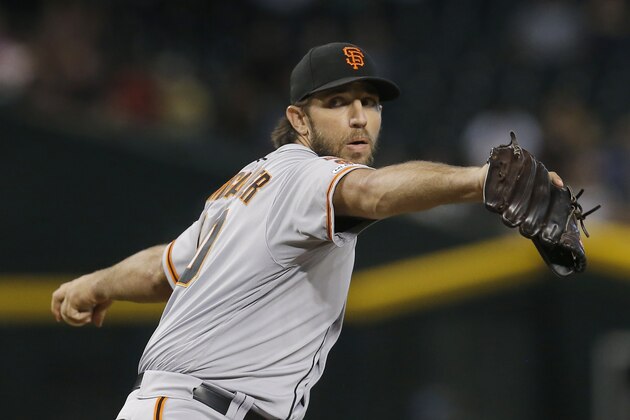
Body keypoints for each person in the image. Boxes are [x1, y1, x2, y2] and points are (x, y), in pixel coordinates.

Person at [51, 42, 563, 420]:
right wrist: (482, 179)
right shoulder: (305, 174)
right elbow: (376, 193)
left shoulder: (250, 185)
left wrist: (95, 284)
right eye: (338, 103)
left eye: (371, 102)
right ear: (299, 118)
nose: (360, 118)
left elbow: (167, 268)